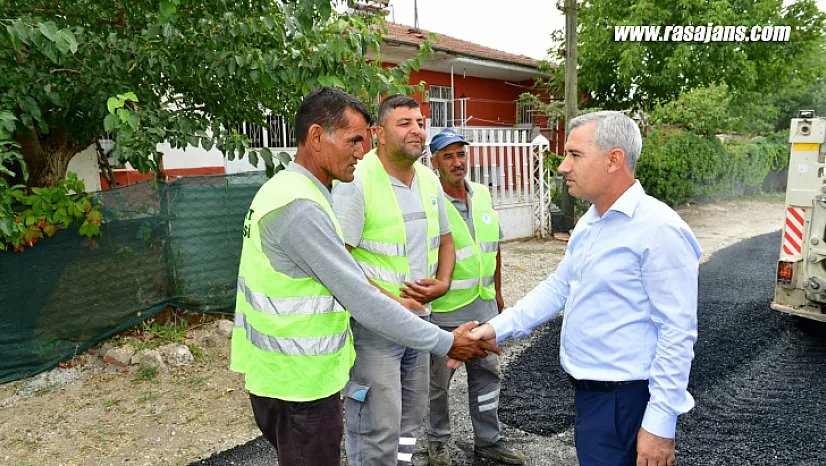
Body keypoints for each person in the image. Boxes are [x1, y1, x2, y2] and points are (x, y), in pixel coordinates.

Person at [230, 87, 499, 466]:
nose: (360, 150)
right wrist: (445, 342)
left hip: (293, 377)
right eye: (354, 140)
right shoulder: (300, 207)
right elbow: (358, 295)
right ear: (317, 137)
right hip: (298, 384)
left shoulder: (290, 191)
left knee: (402, 426)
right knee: (373, 433)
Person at [470, 111, 702, 466]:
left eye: (575, 155)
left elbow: (677, 332)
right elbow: (559, 287)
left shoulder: (659, 230)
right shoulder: (592, 221)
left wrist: (659, 424)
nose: (564, 167)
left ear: (614, 160)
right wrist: (495, 329)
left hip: (626, 402)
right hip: (593, 397)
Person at [332, 95, 455, 466]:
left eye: (419, 122)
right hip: (375, 331)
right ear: (379, 134)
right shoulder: (357, 181)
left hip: (419, 322)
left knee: (409, 420)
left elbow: (447, 241)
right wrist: (390, 300)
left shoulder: (429, 181)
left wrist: (444, 282)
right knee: (375, 424)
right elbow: (340, 261)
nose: (416, 130)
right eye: (404, 123)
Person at [425, 128, 525, 465]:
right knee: (438, 383)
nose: (457, 162)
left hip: (483, 307)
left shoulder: (482, 193)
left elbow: (493, 248)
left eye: (461, 154)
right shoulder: (429, 199)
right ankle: (437, 443)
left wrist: (497, 293)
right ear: (435, 161)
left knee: (488, 374)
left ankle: (488, 440)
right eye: (448, 156)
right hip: (445, 311)